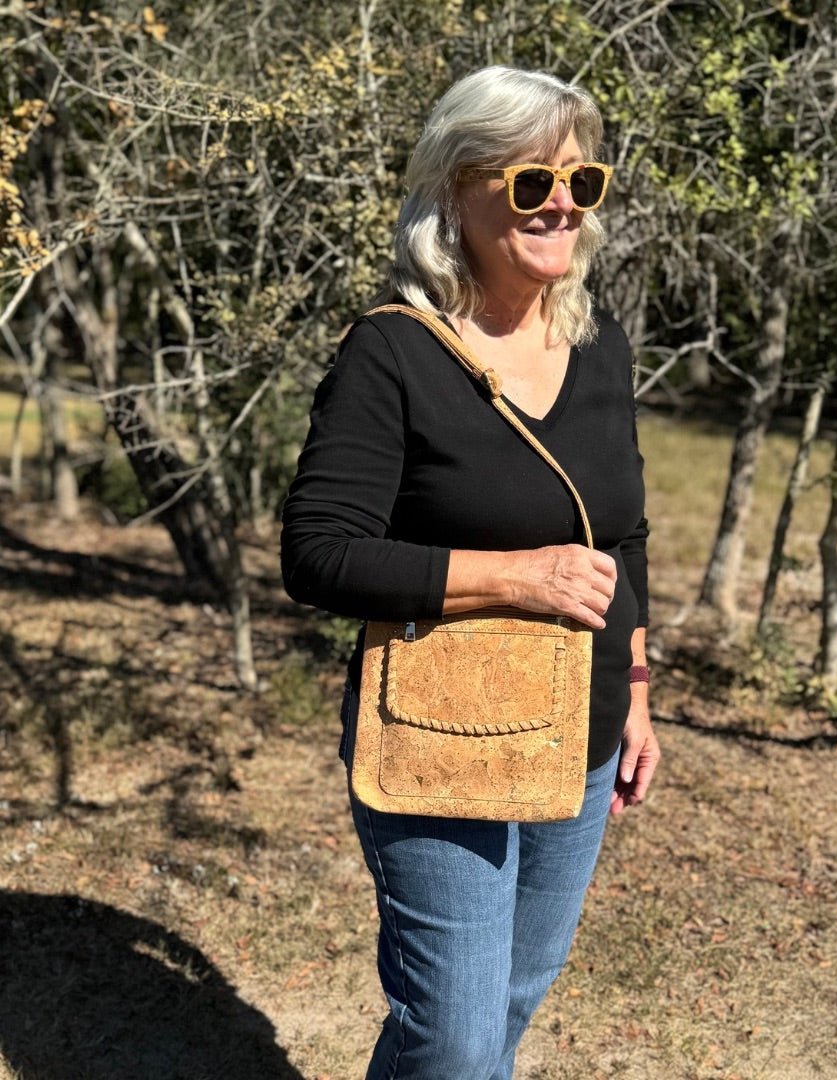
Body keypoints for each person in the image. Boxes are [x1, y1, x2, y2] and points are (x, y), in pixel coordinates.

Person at [280, 65, 659, 1079]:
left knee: (510, 1005)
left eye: (584, 183)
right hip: (439, 739)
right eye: (531, 182)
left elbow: (623, 535)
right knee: (450, 1035)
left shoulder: (600, 347)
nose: (562, 206)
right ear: (456, 190)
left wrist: (636, 685)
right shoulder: (394, 355)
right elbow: (318, 553)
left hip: (575, 727)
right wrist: (515, 578)